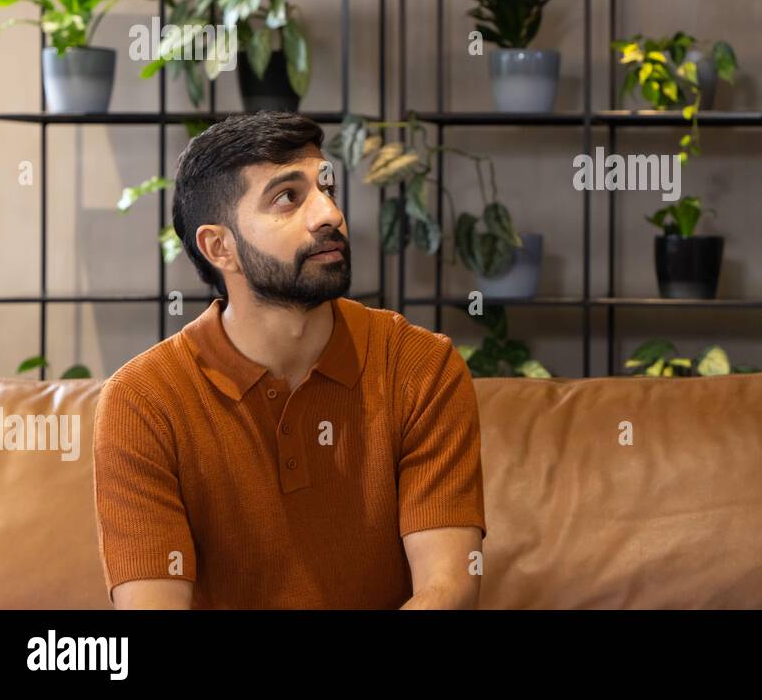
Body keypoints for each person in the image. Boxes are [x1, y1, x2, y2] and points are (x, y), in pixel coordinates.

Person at [92, 111, 485, 608]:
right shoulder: (144, 402)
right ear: (220, 247)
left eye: (327, 189)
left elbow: (449, 589)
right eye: (287, 197)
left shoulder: (420, 366)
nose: (329, 214)